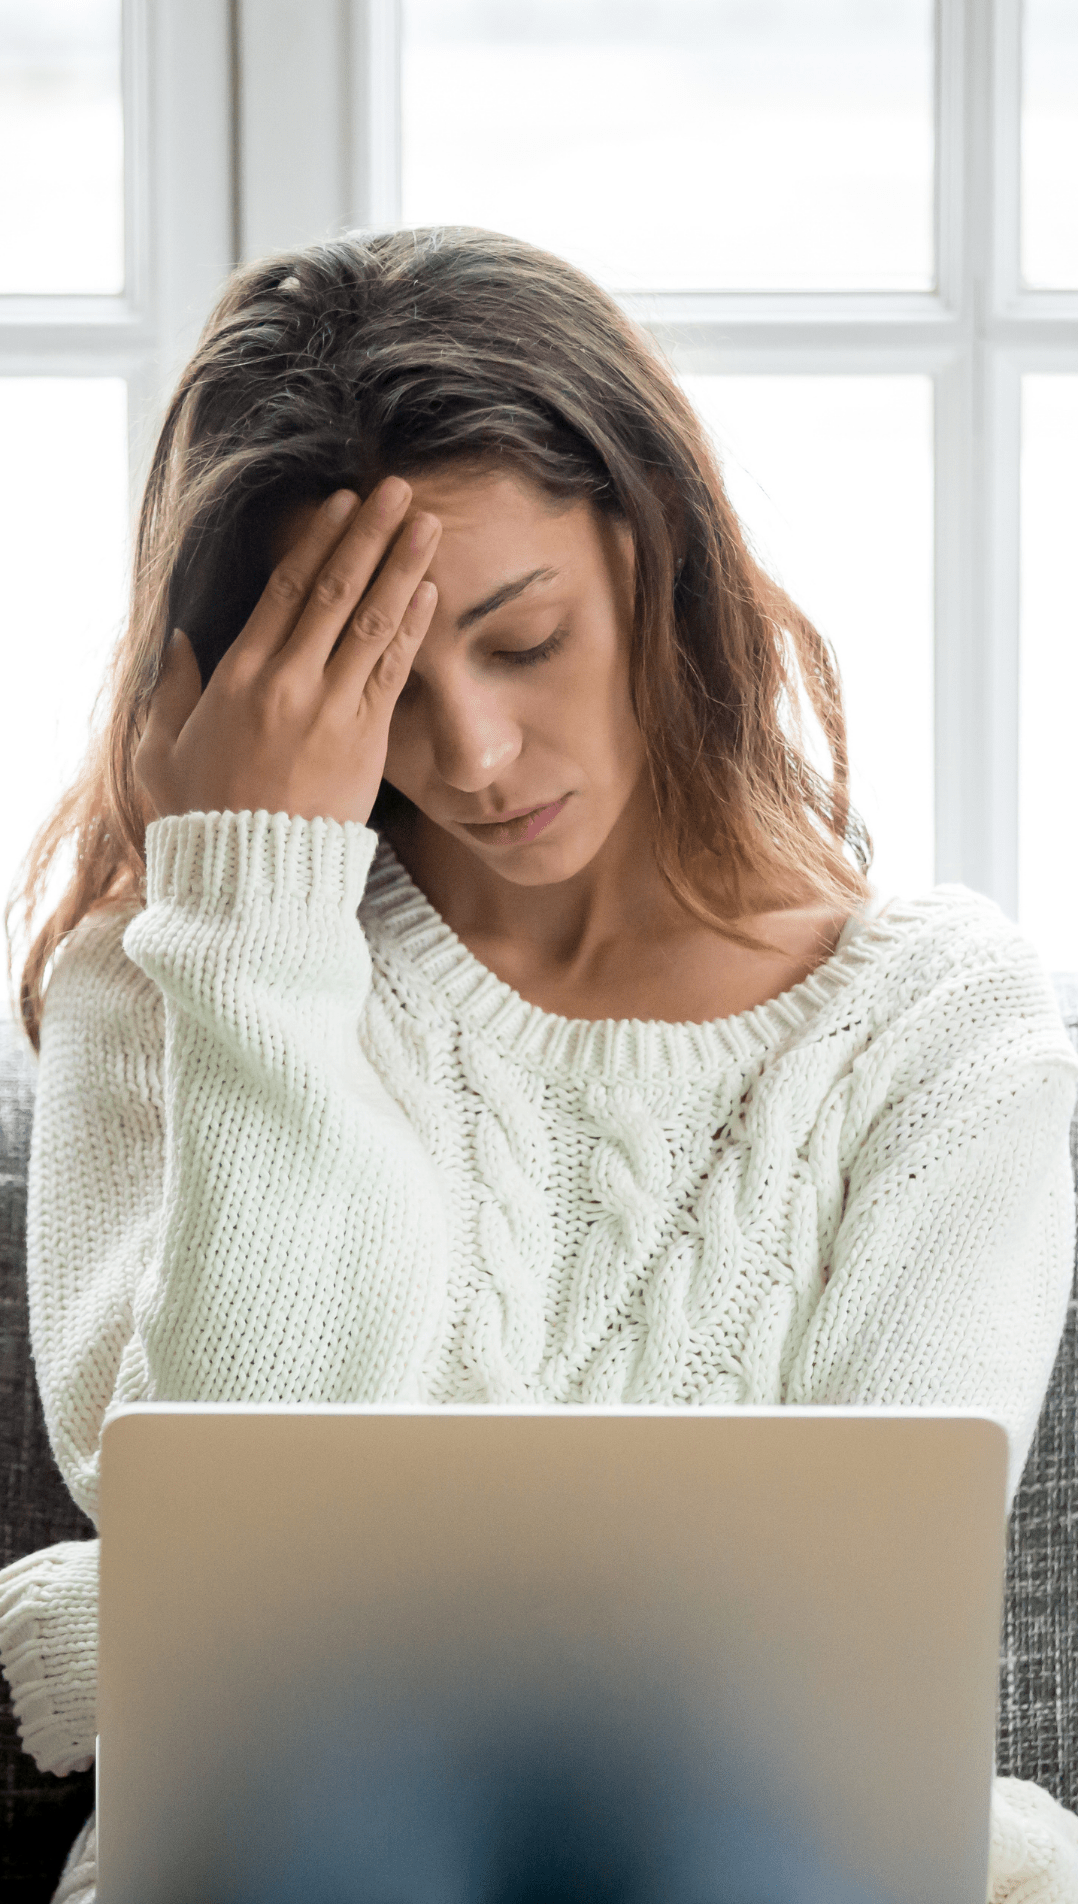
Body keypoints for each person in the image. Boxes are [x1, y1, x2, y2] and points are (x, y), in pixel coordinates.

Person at [1, 226, 1076, 1903]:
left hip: (766, 1855)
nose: (473, 757)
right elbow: (227, 1540)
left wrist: (141, 1627)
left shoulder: (945, 1029)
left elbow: (850, 1645)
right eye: (377, 687)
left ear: (657, 556)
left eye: (520, 641)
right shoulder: (180, 977)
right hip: (293, 1853)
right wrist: (258, 915)